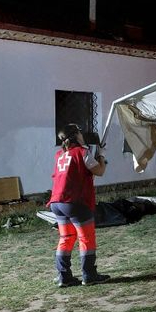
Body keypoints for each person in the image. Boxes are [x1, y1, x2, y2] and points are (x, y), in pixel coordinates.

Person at [48, 123, 110, 287]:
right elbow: (100, 171)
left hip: (57, 202)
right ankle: (89, 275)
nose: (83, 135)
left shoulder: (59, 155)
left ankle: (64, 276)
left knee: (66, 238)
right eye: (80, 133)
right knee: (86, 238)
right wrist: (102, 156)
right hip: (75, 202)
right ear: (75, 135)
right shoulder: (82, 152)